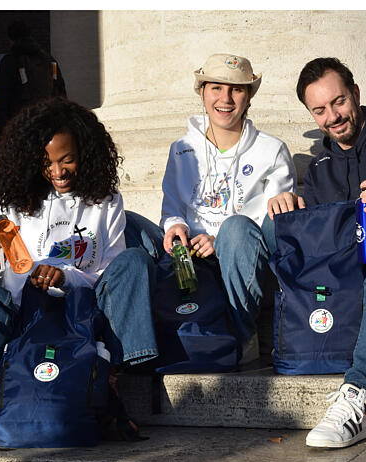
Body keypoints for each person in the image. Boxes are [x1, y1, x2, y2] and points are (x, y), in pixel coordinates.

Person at [0, 96, 158, 440]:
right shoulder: (14, 203)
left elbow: (112, 271)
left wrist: (67, 276)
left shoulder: (106, 201)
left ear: (86, 155)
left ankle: (109, 379)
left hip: (85, 313)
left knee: (135, 261)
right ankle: (11, 379)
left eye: (68, 160)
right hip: (28, 317)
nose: (58, 172)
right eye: (46, 163)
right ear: (31, 161)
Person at [268, 57, 366, 448]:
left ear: (356, 95)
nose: (333, 116)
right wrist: (294, 209)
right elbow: (320, 245)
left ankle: (359, 399)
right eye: (320, 110)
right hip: (357, 276)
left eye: (339, 102)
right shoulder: (321, 169)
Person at [126, 53, 296, 357]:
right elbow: (173, 205)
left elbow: (273, 225)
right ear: (202, 92)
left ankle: (242, 335)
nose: (225, 98)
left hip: (237, 257)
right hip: (187, 256)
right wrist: (175, 226)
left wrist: (218, 241)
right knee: (125, 222)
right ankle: (137, 347)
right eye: (216, 88)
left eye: (237, 89)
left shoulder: (272, 150)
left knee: (236, 229)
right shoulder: (182, 148)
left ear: (249, 97)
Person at [0, 19, 67, 139]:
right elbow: (61, 91)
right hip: (48, 124)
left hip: (20, 125)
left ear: (11, 40)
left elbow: (2, 99)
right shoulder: (50, 61)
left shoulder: (10, 61)